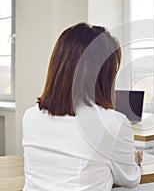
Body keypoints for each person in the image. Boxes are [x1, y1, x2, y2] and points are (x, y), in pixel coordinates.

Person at [22, 23, 142, 191]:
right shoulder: (113, 123)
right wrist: (134, 162)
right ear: (103, 75)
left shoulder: (30, 117)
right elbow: (130, 179)